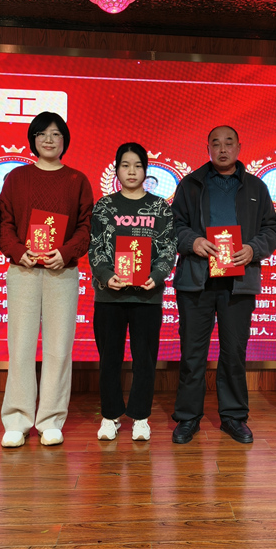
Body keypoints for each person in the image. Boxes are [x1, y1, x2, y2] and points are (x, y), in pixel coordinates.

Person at [171, 125, 276, 444]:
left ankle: (233, 416)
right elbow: (174, 226)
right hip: (196, 280)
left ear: (239, 147)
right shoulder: (190, 184)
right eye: (215, 143)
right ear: (207, 148)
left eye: (228, 143)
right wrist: (193, 241)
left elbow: (271, 230)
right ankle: (188, 417)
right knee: (193, 353)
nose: (222, 149)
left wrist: (253, 249)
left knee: (234, 352)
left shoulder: (256, 187)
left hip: (238, 282)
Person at [0, 112, 93, 449]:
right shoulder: (17, 177)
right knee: (20, 346)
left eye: (55, 134)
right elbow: (4, 222)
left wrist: (65, 253)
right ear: (33, 140)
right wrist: (17, 251)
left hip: (61, 272)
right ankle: (17, 420)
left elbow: (86, 226)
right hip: (23, 270)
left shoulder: (77, 180)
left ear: (65, 140)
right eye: (42, 134)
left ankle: (51, 419)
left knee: (58, 348)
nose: (49, 140)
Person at [88, 143, 176, 441]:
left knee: (145, 360)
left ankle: (140, 417)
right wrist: (106, 275)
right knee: (109, 359)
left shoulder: (160, 207)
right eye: (125, 165)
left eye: (137, 165)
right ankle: (110, 416)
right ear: (116, 170)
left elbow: (168, 247)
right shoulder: (104, 206)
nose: (131, 171)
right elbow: (96, 247)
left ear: (146, 170)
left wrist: (157, 275)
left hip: (146, 297)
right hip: (109, 296)